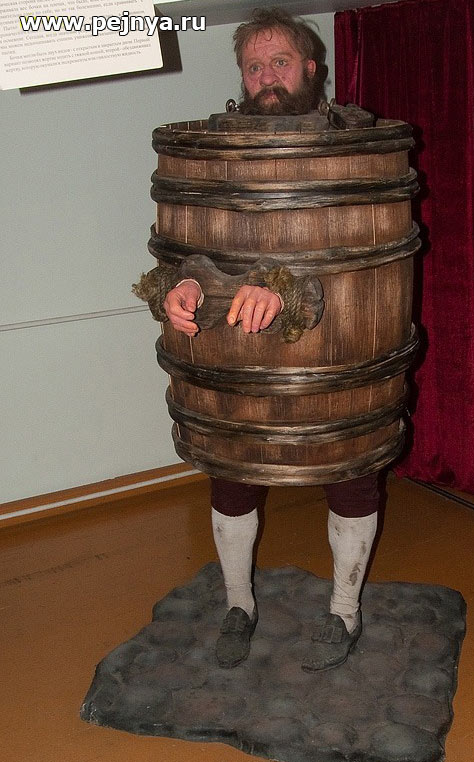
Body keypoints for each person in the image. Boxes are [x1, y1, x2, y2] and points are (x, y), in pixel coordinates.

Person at [163, 7, 382, 673]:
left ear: (312, 67)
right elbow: (191, 242)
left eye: (279, 62)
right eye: (253, 66)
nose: (266, 76)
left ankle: (344, 609)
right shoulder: (218, 150)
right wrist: (184, 284)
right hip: (237, 351)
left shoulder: (356, 144)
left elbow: (355, 252)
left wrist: (285, 286)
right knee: (232, 474)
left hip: (339, 347)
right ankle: (239, 604)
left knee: (350, 469)